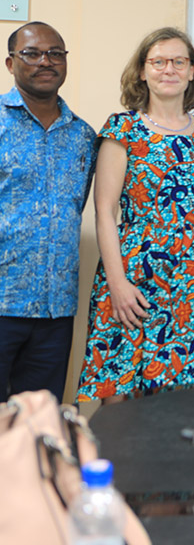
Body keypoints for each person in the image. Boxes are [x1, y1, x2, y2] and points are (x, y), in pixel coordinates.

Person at [76, 27, 194, 402]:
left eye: (179, 61)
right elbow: (104, 210)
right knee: (120, 393)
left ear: (192, 71)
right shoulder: (123, 128)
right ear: (143, 71)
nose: (169, 70)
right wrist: (117, 283)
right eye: (158, 61)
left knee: (190, 396)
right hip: (134, 275)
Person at [0, 22, 96, 403]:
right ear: (10, 63)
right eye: (33, 53)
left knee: (40, 426)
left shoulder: (84, 136)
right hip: (1, 302)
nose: (46, 61)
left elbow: (76, 208)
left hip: (55, 311)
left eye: (56, 53)